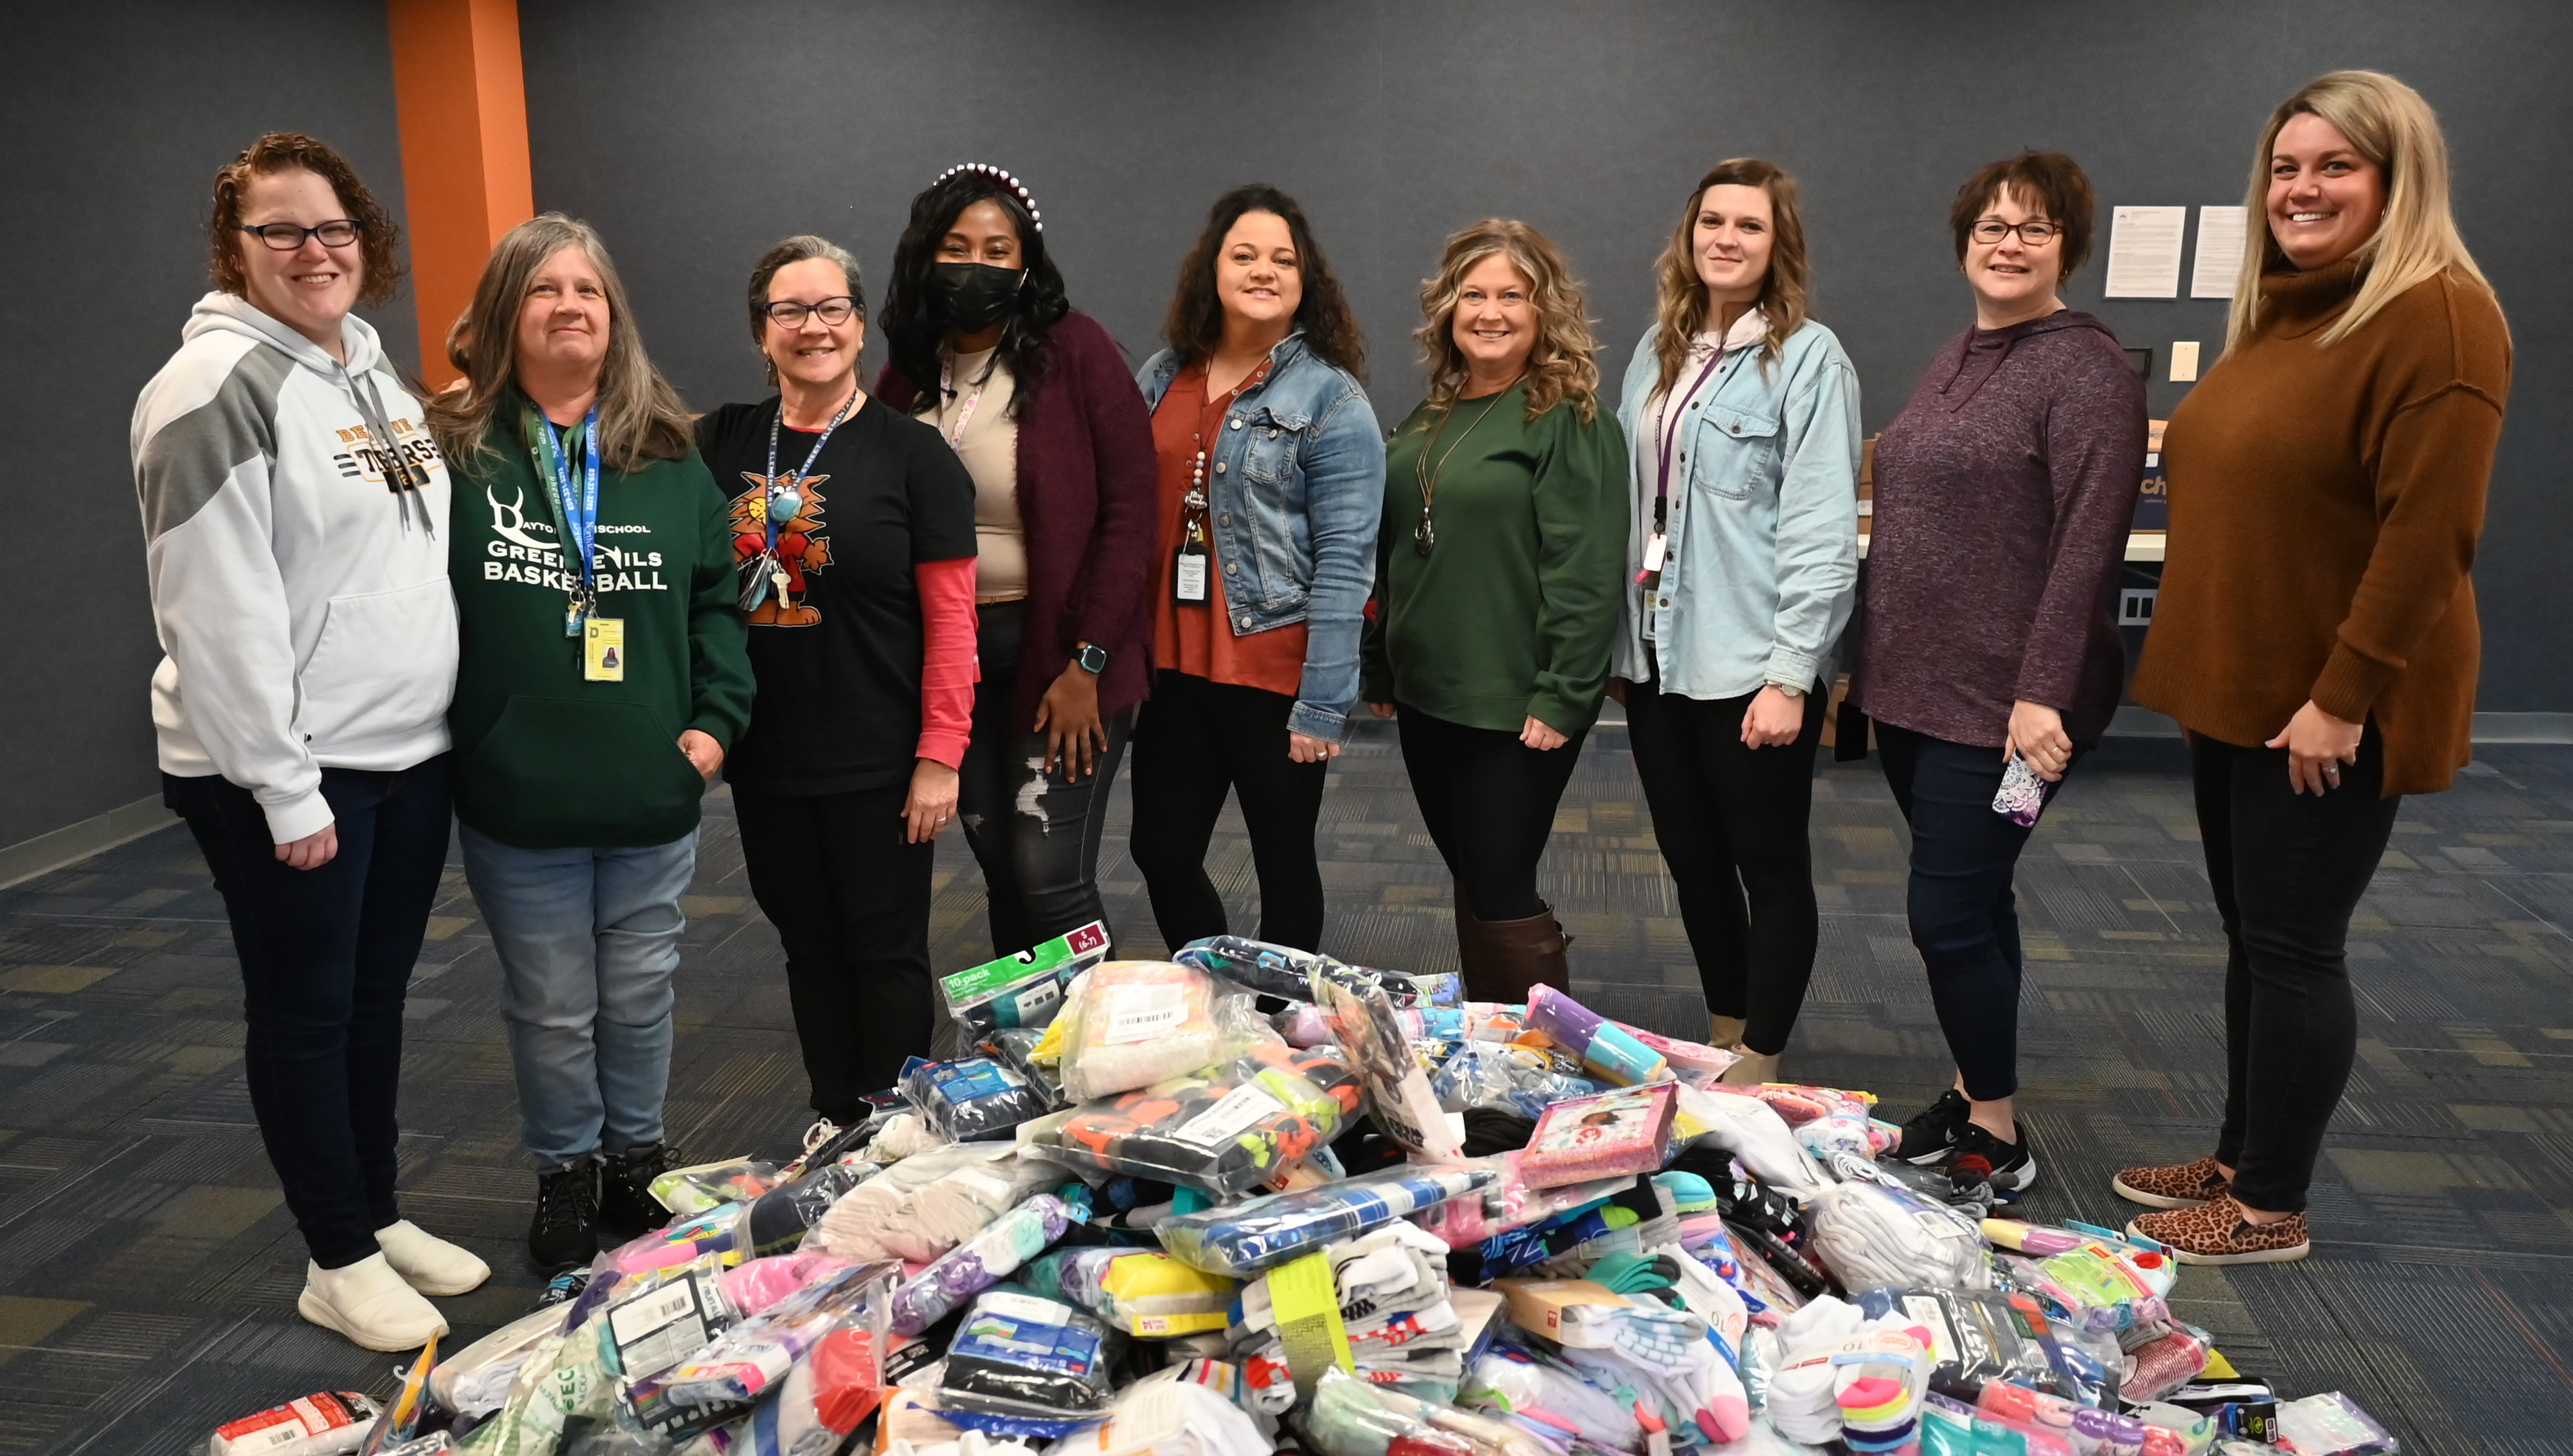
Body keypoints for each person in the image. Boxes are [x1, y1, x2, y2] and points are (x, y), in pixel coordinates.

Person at [2119, 72, 2510, 1265]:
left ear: (2395, 181)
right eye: (2285, 168)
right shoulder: (2288, 309)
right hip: (2248, 692)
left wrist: (2341, 699)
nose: (2301, 188)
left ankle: (2267, 1203)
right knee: (2252, 938)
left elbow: (2425, 537)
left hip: (2335, 702)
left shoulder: (2437, 314)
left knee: (2294, 947)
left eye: (2334, 166)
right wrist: (2211, 685)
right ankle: (2239, 1151)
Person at [136, 132, 485, 1351]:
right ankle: (332, 1256)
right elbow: (214, 608)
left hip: (403, 752)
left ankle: (375, 1215)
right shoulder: (210, 390)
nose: (311, 250)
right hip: (286, 771)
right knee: (305, 1010)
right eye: (279, 230)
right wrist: (284, 789)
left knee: (374, 1001)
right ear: (234, 250)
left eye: (331, 227)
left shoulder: (373, 377)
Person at [430, 214, 754, 1270]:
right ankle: (566, 1167)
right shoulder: (456, 455)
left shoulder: (669, 456)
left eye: (590, 291)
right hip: (517, 789)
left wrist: (713, 727)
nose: (570, 306)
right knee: (554, 1003)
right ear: (504, 313)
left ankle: (634, 1157)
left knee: (639, 989)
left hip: (651, 785)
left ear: (615, 319)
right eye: (544, 289)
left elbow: (717, 604)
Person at [1851, 152, 2144, 1194]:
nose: (2007, 242)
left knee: (1944, 915)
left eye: (2032, 226)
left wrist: (2042, 693)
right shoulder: (1960, 353)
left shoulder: (2087, 370)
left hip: (2008, 713)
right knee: (1979, 904)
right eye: (1989, 225)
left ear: (2068, 244)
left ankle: (2002, 1140)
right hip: (1913, 693)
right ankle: (1980, 1096)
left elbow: (2085, 545)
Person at [698, 237, 977, 1135]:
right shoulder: (719, 442)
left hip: (880, 755)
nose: (810, 328)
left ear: (859, 327)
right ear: (760, 331)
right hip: (767, 750)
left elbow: (951, 619)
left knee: (884, 948)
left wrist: (941, 753)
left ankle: (897, 1124)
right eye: (789, 311)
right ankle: (832, 1114)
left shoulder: (914, 456)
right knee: (807, 946)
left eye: (829, 310)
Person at [1608, 160, 1861, 1085]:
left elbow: (1823, 528)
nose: (1725, 239)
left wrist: (1791, 673)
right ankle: (1724, 1030)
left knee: (1768, 865)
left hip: (1751, 660)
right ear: (1687, 236)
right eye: (1710, 221)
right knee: (1690, 860)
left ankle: (1762, 1054)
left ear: (1775, 245)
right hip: (1656, 657)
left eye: (1747, 226)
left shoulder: (1807, 357)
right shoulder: (1654, 351)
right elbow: (1637, 506)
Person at [874, 165, 1158, 961]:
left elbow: (1132, 517)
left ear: (1026, 263)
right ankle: (1031, 1053)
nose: (976, 265)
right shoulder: (906, 370)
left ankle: (1105, 1063)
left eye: (998, 249)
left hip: (1065, 661)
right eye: (957, 247)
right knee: (999, 865)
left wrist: (1089, 665)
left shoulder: (1076, 352)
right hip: (954, 662)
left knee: (1046, 874)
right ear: (924, 256)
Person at [1361, 220, 1627, 1001]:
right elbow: (1398, 551)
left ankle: (1539, 1060)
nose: (1490, 311)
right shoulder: (1431, 417)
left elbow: (1584, 572)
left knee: (1502, 881)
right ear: (1445, 309)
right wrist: (1380, 659)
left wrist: (1562, 693)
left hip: (1514, 701)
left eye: (1511, 295)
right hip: (1426, 691)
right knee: (1474, 878)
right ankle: (1491, 1047)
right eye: (1472, 294)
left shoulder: (1568, 420)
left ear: (1544, 311)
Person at [1130, 185, 1385, 953]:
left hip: (1273, 672)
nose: (1263, 271)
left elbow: (1347, 563)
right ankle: (1217, 1000)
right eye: (1244, 255)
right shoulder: (1160, 374)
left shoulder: (1332, 400)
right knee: (1160, 852)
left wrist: (1323, 702)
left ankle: (1282, 1039)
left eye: (1283, 259)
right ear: (1212, 270)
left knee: (1281, 863)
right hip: (1172, 671)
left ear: (1306, 279)